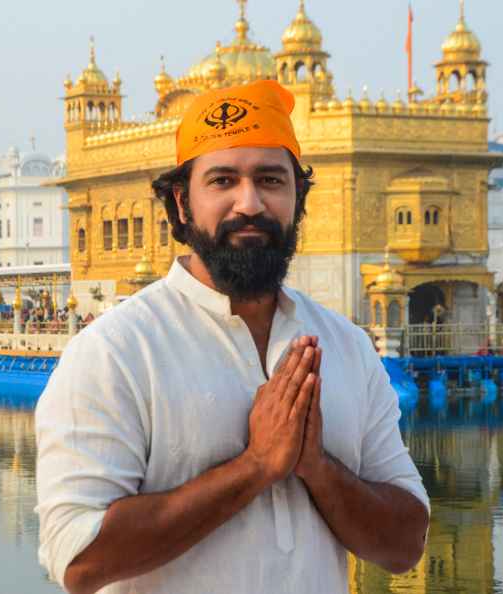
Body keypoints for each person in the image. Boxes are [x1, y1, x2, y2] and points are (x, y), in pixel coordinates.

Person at [35, 80, 429, 594]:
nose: (250, 203)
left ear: (297, 199)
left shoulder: (346, 346)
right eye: (223, 181)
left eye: (270, 179)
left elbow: (405, 545)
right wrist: (255, 467)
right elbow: (79, 561)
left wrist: (316, 467)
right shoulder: (118, 352)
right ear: (180, 203)